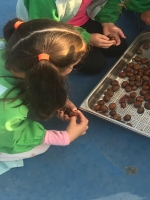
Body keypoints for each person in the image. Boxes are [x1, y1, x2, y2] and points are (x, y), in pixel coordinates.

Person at [0, 18, 89, 161]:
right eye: (72, 66)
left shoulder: (13, 47)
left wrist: (57, 99)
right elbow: (9, 137)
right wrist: (64, 137)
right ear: (47, 72)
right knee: (41, 146)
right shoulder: (7, 108)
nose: (71, 69)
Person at [16, 0, 128, 74]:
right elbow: (47, 28)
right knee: (95, 65)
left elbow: (108, 2)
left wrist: (107, 22)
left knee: (119, 46)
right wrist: (86, 38)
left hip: (80, 19)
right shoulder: (44, 2)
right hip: (52, 30)